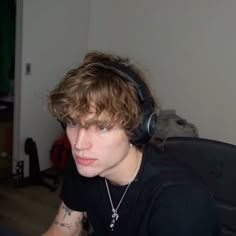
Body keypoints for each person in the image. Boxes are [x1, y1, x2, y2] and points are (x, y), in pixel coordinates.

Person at [42, 51, 220, 236]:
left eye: (102, 127)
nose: (79, 144)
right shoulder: (85, 163)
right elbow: (62, 229)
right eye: (73, 123)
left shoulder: (180, 202)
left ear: (137, 129)